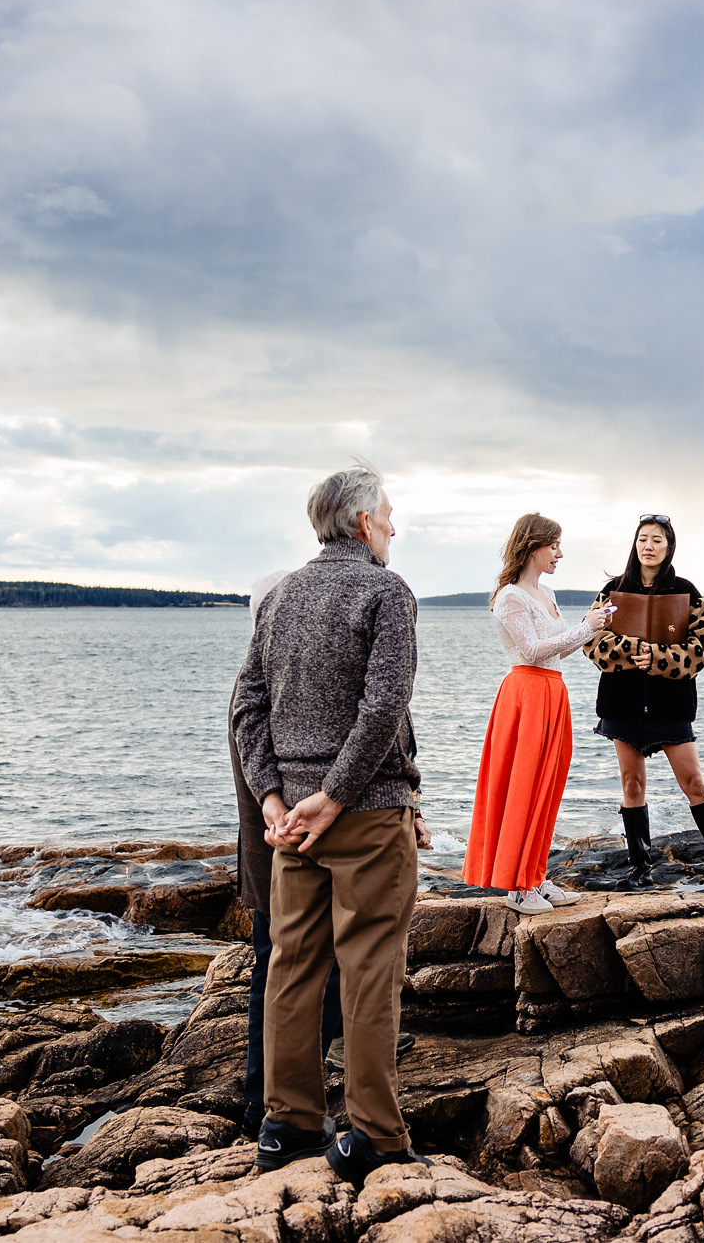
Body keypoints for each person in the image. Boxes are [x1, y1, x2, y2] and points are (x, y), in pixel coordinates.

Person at [230, 463, 429, 1186]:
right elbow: (383, 708)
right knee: (371, 970)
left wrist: (276, 801)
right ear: (362, 523)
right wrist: (338, 795)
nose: (394, 528)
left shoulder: (279, 595)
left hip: (295, 826)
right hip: (365, 814)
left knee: (292, 966)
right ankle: (374, 1132)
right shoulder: (385, 590)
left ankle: (287, 1127)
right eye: (389, 516)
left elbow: (246, 705)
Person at [583, 515, 704, 892]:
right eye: (643, 538)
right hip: (622, 702)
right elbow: (591, 641)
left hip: (670, 704)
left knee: (693, 782)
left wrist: (657, 658)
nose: (649, 546)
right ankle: (640, 870)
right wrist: (632, 652)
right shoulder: (613, 590)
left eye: (657, 540)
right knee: (632, 783)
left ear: (668, 546)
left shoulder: (687, 592)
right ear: (635, 544)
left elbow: (701, 650)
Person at [465, 514, 614, 914]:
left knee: (547, 785)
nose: (559, 554)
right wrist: (586, 625)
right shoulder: (511, 596)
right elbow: (531, 649)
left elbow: (559, 648)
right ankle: (515, 886)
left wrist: (593, 629)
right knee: (524, 785)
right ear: (532, 546)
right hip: (526, 692)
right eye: (554, 546)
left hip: (552, 690)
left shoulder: (546, 593)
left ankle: (534, 876)